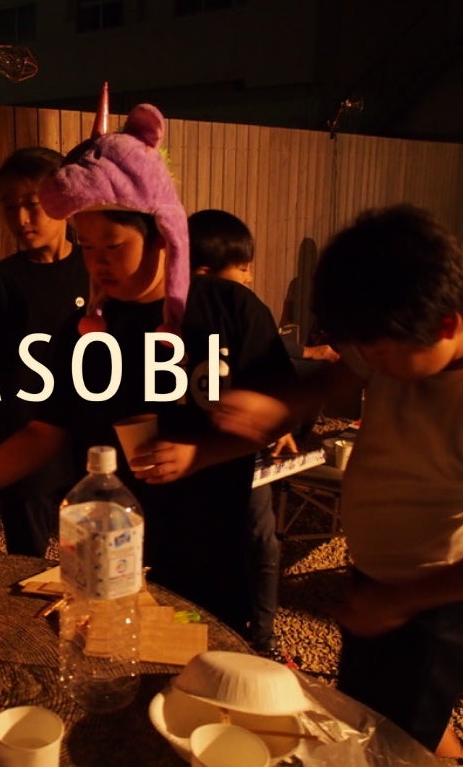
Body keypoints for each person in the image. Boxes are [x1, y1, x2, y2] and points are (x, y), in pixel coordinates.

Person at [0, 101, 295, 633]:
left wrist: (202, 452)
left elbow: (286, 410)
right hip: (109, 558)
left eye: (112, 245)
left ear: (162, 234)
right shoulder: (88, 332)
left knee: (203, 669)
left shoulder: (230, 310)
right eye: (86, 246)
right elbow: (44, 431)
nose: (96, 262)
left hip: (211, 556)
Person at [211, 205, 463, 758]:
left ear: (445, 325)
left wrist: (403, 599)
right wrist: (279, 405)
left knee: (397, 745)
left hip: (436, 602)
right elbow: (341, 373)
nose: (368, 363)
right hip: (381, 581)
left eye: (378, 352)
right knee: (368, 715)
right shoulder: (406, 325)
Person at [0, 147, 89, 557]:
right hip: (24, 429)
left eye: (32, 205)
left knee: (89, 549)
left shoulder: (92, 269)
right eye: (9, 206)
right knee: (26, 552)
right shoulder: (4, 279)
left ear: (64, 202)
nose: (20, 219)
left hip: (86, 431)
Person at [187, 208, 293, 655]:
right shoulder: (182, 314)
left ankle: (261, 638)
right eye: (243, 269)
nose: (249, 278)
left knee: (260, 542)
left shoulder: (244, 312)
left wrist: (277, 424)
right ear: (201, 272)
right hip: (202, 467)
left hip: (241, 460)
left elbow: (274, 386)